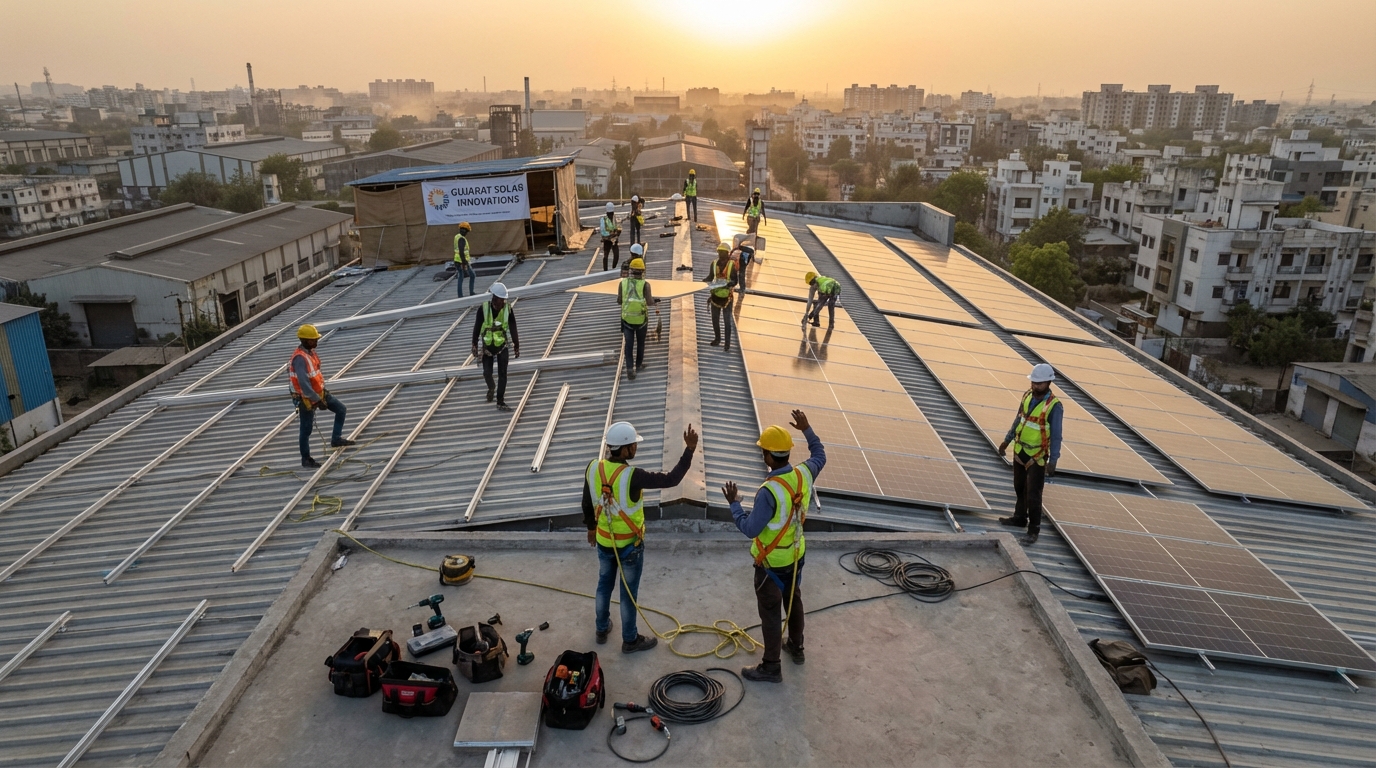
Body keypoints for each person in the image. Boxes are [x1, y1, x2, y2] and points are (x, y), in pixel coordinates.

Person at [721, 409, 825, 683]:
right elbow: (819, 455)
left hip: (771, 565)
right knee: (794, 600)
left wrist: (734, 505)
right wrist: (807, 429)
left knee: (770, 613)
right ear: (788, 453)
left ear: (768, 456)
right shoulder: (803, 474)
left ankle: (771, 667)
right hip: (796, 557)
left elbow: (750, 529)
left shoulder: (768, 492)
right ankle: (796, 647)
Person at [584, 420, 699, 653]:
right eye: (634, 445)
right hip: (629, 546)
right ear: (625, 449)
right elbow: (671, 480)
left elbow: (586, 499)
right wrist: (689, 450)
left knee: (604, 585)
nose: (636, 448)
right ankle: (630, 640)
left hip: (605, 541)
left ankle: (601, 629)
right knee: (628, 594)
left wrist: (591, 528)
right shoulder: (633, 476)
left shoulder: (593, 467)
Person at [996, 364, 1063, 546]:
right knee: (1019, 487)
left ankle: (1033, 530)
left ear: (1048, 382)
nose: (1035, 386)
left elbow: (1056, 435)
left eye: (1039, 383)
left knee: (1033, 494)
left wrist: (1053, 460)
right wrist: (1007, 441)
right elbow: (1019, 419)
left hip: (1037, 456)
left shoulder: (1054, 406)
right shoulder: (1027, 396)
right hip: (1020, 450)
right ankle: (1019, 517)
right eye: (1034, 382)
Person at [290, 324, 354, 469]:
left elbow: (314, 376)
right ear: (305, 340)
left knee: (341, 409)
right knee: (306, 429)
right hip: (305, 398)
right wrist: (317, 401)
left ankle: (336, 439)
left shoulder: (310, 353)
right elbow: (304, 384)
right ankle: (306, 459)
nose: (316, 341)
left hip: (319, 393)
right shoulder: (300, 358)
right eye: (313, 339)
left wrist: (321, 394)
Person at [471, 282, 520, 411]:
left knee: (502, 374)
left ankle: (500, 401)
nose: (501, 303)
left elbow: (513, 327)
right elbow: (477, 327)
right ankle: (491, 387)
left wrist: (516, 345)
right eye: (499, 300)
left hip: (502, 346)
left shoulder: (507, 309)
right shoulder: (483, 310)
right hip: (487, 348)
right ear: (493, 298)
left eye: (503, 300)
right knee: (487, 373)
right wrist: (474, 343)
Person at [618, 251, 657, 380]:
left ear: (631, 270)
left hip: (627, 320)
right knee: (641, 343)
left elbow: (619, 301)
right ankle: (639, 365)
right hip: (641, 321)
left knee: (629, 346)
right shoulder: (646, 285)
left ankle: (630, 369)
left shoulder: (622, 283)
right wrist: (655, 301)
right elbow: (649, 302)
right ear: (642, 271)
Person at [704, 243, 738, 351]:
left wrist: (729, 284)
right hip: (715, 295)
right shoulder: (714, 264)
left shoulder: (731, 265)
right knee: (715, 319)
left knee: (727, 321)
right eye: (719, 252)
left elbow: (735, 281)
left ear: (727, 253)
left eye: (723, 252)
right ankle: (717, 339)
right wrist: (703, 282)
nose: (720, 254)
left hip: (727, 297)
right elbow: (710, 277)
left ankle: (727, 344)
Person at [452, 221, 476, 298]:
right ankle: (471, 292)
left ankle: (460, 295)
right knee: (472, 275)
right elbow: (461, 251)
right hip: (462, 261)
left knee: (461, 277)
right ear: (465, 230)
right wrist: (464, 263)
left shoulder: (456, 236)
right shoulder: (461, 239)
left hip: (457, 260)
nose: (466, 233)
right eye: (466, 231)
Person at [600, 202, 621, 272]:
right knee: (606, 256)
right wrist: (611, 234)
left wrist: (617, 233)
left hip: (613, 239)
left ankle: (613, 268)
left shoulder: (615, 218)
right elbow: (603, 231)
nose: (611, 215)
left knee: (616, 255)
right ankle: (605, 270)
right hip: (607, 240)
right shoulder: (604, 219)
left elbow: (619, 227)